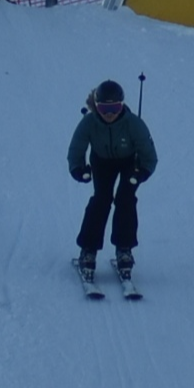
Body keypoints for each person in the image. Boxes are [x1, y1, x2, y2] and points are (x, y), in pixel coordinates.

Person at [67, 79, 157, 276]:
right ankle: (88, 250)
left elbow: (149, 155)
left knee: (126, 199)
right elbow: (76, 148)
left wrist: (142, 172)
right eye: (104, 108)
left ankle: (124, 249)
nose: (110, 114)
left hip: (128, 162)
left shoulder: (133, 124)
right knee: (101, 199)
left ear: (122, 105)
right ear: (96, 106)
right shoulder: (89, 122)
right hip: (101, 162)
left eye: (115, 108)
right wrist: (78, 169)